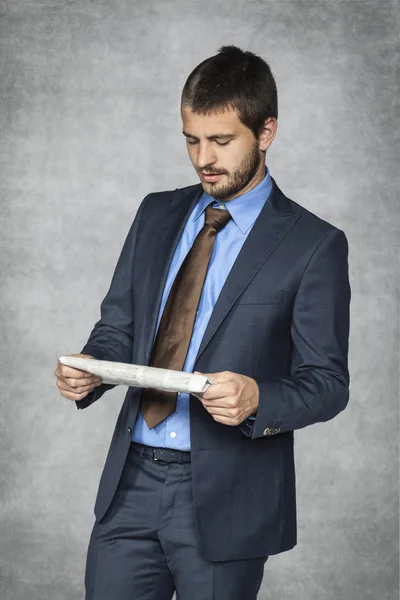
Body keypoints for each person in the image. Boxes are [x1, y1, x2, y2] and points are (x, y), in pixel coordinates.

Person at [55, 45, 351, 600]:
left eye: (221, 141)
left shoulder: (314, 246)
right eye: (192, 140)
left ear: (266, 133)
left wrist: (259, 396)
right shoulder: (155, 213)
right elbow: (118, 327)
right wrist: (92, 365)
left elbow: (328, 384)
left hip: (227, 498)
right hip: (131, 485)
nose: (203, 159)